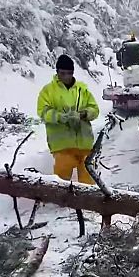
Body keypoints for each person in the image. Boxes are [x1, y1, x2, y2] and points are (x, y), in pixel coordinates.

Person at [37, 54, 100, 184]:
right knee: (61, 184)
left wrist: (84, 114)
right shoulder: (48, 91)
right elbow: (43, 112)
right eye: (63, 73)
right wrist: (61, 117)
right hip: (62, 146)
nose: (66, 76)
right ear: (57, 72)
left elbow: (95, 109)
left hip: (85, 144)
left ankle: (87, 204)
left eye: (69, 73)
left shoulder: (82, 89)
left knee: (89, 185)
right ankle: (61, 204)